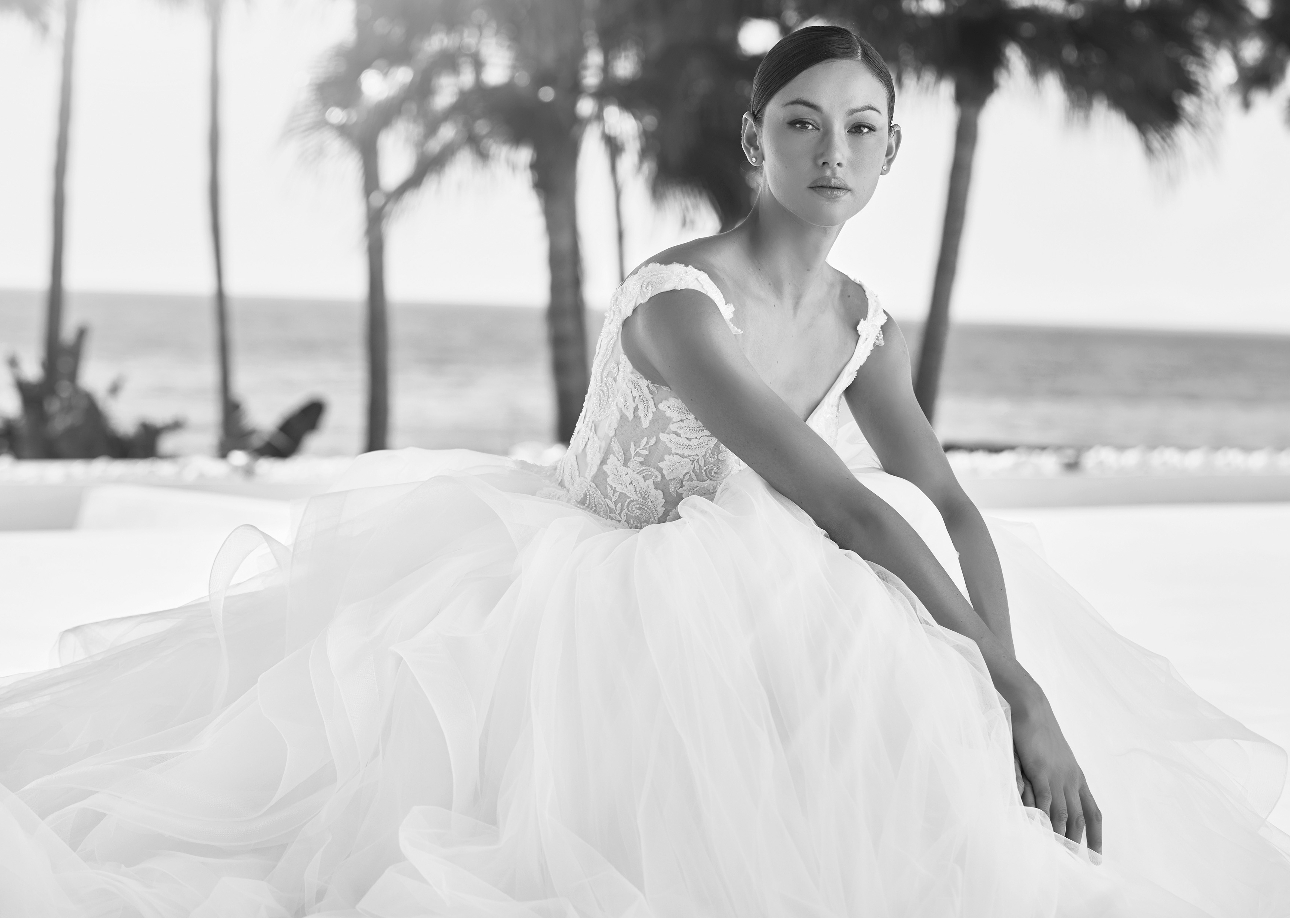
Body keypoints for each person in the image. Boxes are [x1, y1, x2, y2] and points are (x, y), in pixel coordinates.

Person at [2, 24, 1288, 918]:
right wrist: (1006, 685)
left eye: (861, 128)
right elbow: (833, 499)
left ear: (892, 153)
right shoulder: (681, 303)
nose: (829, 151)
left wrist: (1014, 684)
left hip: (744, 573)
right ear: (753, 141)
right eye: (800, 123)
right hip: (583, 590)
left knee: (914, 651)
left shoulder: (862, 320)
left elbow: (945, 502)